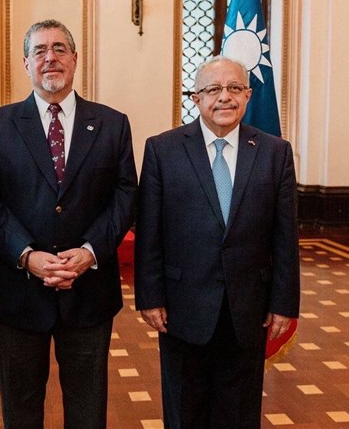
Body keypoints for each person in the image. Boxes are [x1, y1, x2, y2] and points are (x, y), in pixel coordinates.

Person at [0, 19, 138, 428]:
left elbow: (125, 197)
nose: (51, 58)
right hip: (17, 292)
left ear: (75, 60)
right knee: (20, 409)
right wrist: (27, 256)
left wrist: (89, 252)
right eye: (40, 50)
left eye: (60, 49)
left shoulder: (113, 124)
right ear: (26, 63)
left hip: (89, 290)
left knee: (87, 409)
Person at [134, 56, 300, 428]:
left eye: (234, 88)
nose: (224, 97)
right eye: (213, 89)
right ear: (196, 98)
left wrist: (285, 304)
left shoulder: (275, 152)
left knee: (239, 414)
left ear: (248, 95)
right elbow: (149, 232)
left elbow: (285, 237)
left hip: (249, 310)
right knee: (184, 410)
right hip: (181, 308)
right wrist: (150, 296)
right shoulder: (163, 150)